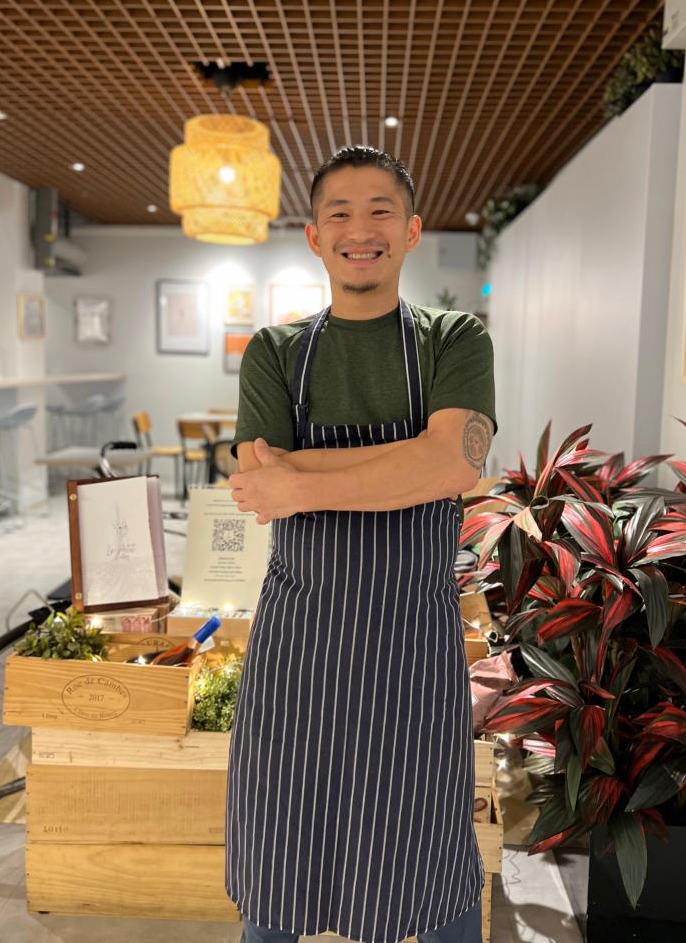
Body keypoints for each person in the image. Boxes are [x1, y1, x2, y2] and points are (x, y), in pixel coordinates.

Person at [226, 146, 497, 943]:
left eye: (381, 210)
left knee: (432, 853)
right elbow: (258, 481)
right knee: (280, 854)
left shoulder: (455, 338)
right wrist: (406, 464)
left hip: (414, 645)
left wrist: (301, 482)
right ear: (314, 237)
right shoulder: (275, 352)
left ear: (411, 230)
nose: (360, 229)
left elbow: (456, 464)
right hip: (299, 650)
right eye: (339, 213)